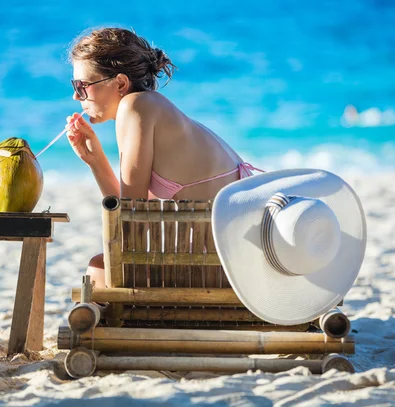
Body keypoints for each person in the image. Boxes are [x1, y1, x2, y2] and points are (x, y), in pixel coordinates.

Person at [65, 27, 262, 287]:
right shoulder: (154, 108)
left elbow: (131, 224)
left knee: (99, 268)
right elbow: (133, 209)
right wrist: (96, 161)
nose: (76, 96)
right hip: (242, 261)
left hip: (224, 271)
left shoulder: (135, 107)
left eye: (82, 86)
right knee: (103, 266)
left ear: (121, 83)